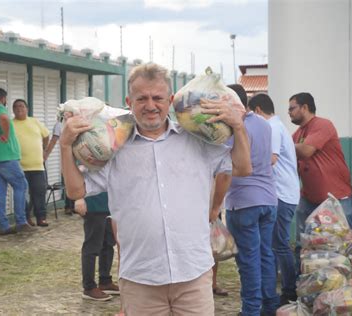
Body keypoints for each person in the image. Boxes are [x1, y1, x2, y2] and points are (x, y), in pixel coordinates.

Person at [60, 63, 251, 315]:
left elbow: (243, 167)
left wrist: (238, 127)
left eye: (158, 98)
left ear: (170, 100)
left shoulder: (197, 141)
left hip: (193, 274)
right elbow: (76, 191)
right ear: (130, 101)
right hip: (141, 278)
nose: (150, 105)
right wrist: (65, 146)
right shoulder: (114, 147)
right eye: (142, 98)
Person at [216, 84, 279, 316]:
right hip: (269, 199)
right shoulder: (264, 124)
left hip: (244, 202)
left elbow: (226, 168)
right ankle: (270, 306)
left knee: (248, 260)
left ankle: (251, 310)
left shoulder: (232, 130)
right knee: (265, 254)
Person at [288, 92, 352, 271]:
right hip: (309, 200)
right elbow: (293, 166)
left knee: (348, 244)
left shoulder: (322, 125)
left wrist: (282, 143)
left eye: (292, 108)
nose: (289, 112)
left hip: (338, 199)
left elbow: (306, 151)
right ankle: (302, 288)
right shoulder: (297, 134)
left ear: (305, 107)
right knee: (304, 245)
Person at [249, 93, 300, 305]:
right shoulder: (275, 126)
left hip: (282, 194)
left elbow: (271, 158)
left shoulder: (272, 128)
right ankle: (286, 288)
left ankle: (289, 291)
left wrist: (245, 166)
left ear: (258, 111)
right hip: (282, 193)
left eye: (252, 113)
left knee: (279, 245)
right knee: (276, 244)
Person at [0, 88, 32, 235]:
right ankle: (21, 221)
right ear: (3, 98)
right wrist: (6, 134)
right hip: (5, 157)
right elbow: (3, 118)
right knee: (21, 185)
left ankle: (4, 225)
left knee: (0, 191)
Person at [74, 192, 119, 301]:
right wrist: (78, 198)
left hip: (110, 203)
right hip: (93, 203)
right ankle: (89, 287)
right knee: (92, 246)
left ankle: (105, 281)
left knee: (108, 244)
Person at [12, 99, 50, 227]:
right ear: (13, 110)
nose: (19, 109)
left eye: (22, 106)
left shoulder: (34, 122)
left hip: (37, 165)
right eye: (16, 107)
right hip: (19, 166)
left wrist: (45, 151)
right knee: (22, 194)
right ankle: (26, 217)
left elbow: (46, 136)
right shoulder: (11, 124)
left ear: (27, 109)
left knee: (39, 191)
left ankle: (41, 217)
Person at [44, 119, 75, 215]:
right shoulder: (59, 125)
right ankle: (69, 206)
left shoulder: (78, 121)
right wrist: (46, 155)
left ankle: (76, 205)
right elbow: (53, 140)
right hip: (67, 155)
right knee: (68, 181)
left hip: (80, 154)